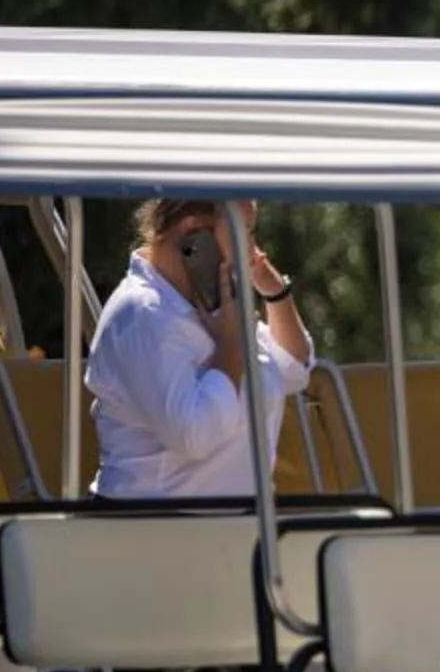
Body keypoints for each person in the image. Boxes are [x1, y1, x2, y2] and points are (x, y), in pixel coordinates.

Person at [84, 199, 313, 501]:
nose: (252, 249)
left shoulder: (212, 303)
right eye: (244, 231)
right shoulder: (142, 314)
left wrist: (273, 289)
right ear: (194, 230)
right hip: (155, 531)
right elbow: (196, 435)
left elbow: (294, 369)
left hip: (230, 530)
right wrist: (231, 346)